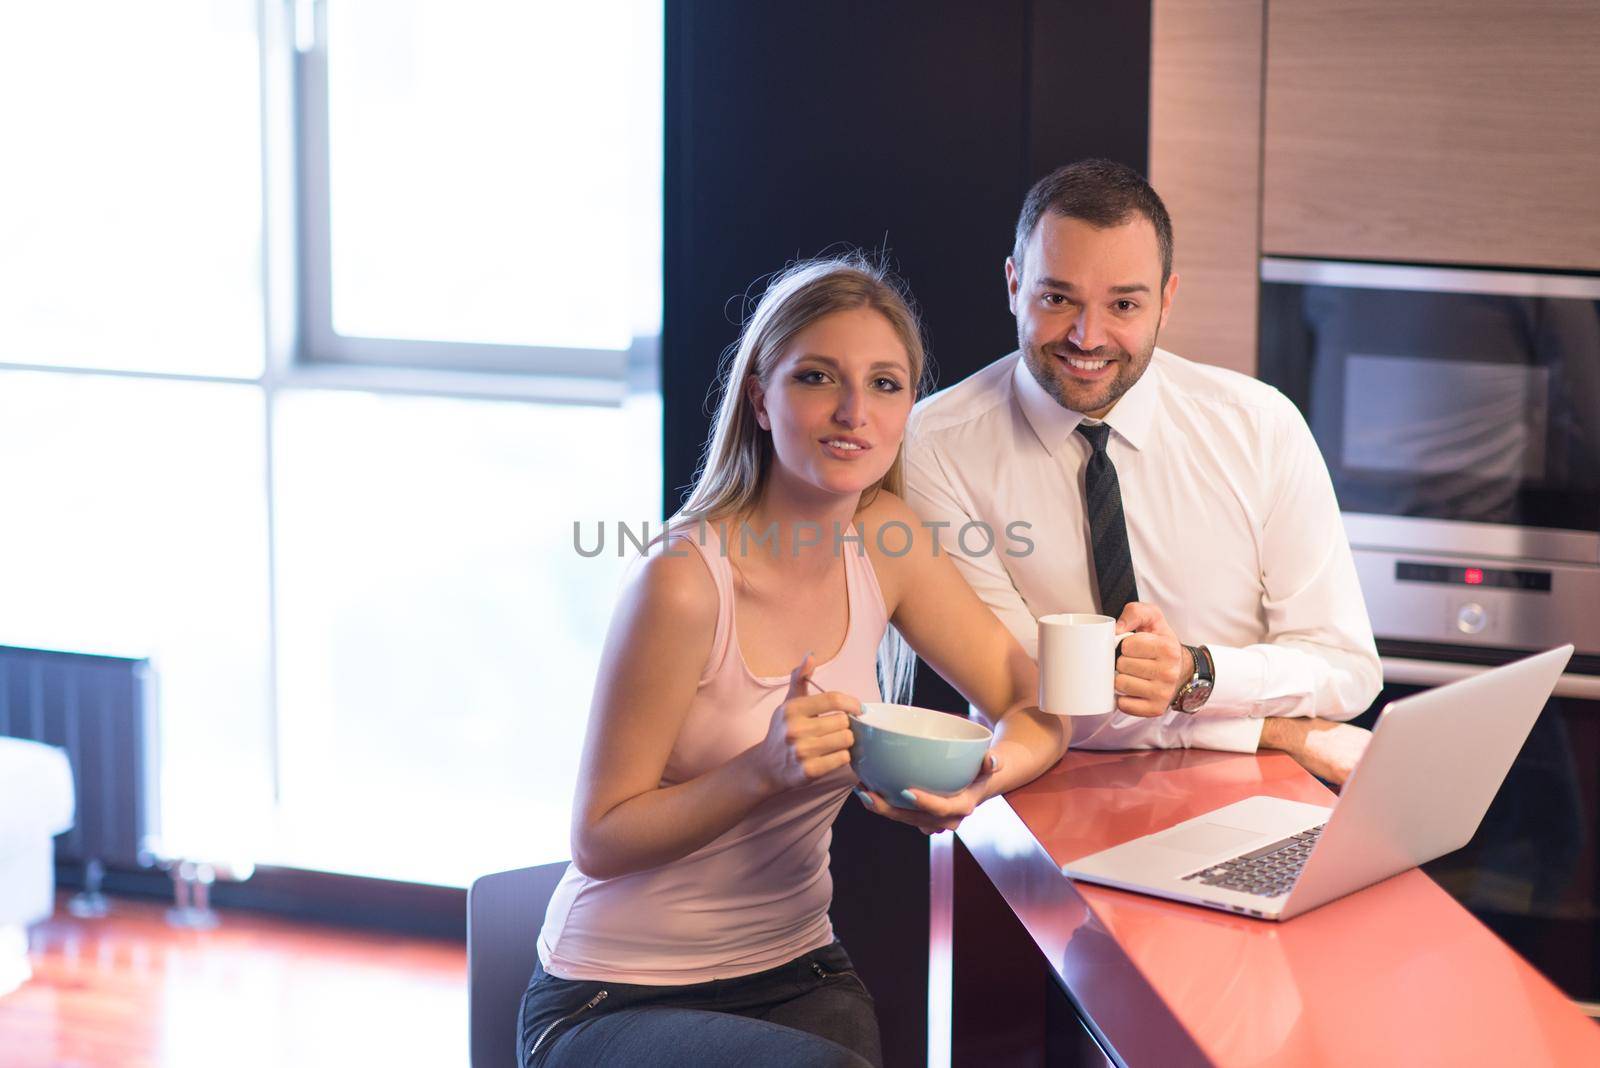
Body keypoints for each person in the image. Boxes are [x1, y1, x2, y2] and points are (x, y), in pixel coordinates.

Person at [521, 256, 1072, 1068]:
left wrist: (985, 777)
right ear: (760, 395)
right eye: (818, 377)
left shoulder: (889, 543)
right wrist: (762, 770)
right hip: (614, 994)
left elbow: (1035, 700)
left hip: (797, 965)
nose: (854, 411)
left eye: (886, 384)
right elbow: (598, 839)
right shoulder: (682, 581)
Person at [903, 159, 1382, 784]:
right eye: (1057, 298)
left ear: (1167, 301)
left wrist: (1195, 671)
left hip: (1254, 795)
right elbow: (1037, 696)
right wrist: (1275, 728)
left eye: (1123, 303)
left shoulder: (1262, 426)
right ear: (1013, 284)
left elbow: (1346, 670)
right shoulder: (932, 446)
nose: (1087, 336)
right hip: (1041, 789)